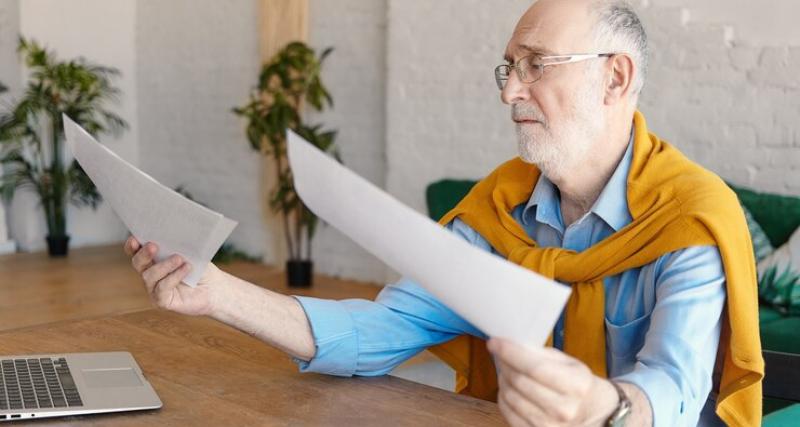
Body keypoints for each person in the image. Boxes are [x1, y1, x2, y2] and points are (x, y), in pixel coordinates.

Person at [124, 0, 763, 425]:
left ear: (615, 79)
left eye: (536, 65)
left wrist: (605, 409)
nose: (511, 92)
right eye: (508, 69)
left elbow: (677, 388)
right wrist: (216, 293)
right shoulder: (498, 211)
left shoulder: (691, 217)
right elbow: (381, 331)